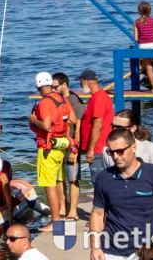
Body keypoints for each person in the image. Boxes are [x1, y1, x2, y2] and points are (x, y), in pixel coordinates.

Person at [90, 128, 153, 260]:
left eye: (120, 151)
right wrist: (95, 247)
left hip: (145, 251)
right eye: (111, 152)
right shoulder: (103, 177)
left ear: (133, 148)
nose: (115, 157)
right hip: (110, 250)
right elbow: (97, 214)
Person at [30, 71, 72, 228]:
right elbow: (73, 119)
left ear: (39, 87)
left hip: (48, 148)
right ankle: (60, 214)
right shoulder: (61, 99)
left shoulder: (44, 103)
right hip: (61, 145)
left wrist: (34, 120)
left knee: (49, 185)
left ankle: (55, 221)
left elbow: (46, 126)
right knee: (56, 181)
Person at [101, 109, 153, 187]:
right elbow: (107, 179)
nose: (114, 130)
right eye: (113, 126)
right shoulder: (108, 151)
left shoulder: (149, 148)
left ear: (133, 128)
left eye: (119, 127)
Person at [53, 72, 84, 219]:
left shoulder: (74, 100)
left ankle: (73, 210)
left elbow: (79, 126)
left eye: (55, 86)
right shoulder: (56, 100)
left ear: (64, 85)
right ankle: (62, 206)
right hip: (58, 145)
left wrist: (75, 149)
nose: (53, 89)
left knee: (72, 178)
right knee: (59, 178)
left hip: (71, 145)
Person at [78, 69, 113, 184]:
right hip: (97, 145)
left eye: (81, 81)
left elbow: (98, 125)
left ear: (87, 81)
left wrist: (91, 149)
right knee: (100, 179)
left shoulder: (98, 98)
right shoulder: (96, 97)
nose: (80, 85)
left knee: (98, 180)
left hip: (98, 146)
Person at [134, 0, 153, 92]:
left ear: (139, 11)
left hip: (143, 46)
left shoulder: (136, 22)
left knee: (149, 68)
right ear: (150, 11)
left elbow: (136, 38)